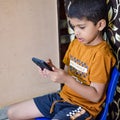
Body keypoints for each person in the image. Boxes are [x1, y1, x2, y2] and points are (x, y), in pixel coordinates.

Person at [7, 0, 116, 120]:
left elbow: (96, 96)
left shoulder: (102, 55)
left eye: (81, 27)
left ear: (100, 25)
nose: (76, 32)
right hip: (62, 97)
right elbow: (68, 73)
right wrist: (53, 70)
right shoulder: (75, 43)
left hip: (83, 107)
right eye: (73, 26)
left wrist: (67, 79)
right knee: (13, 112)